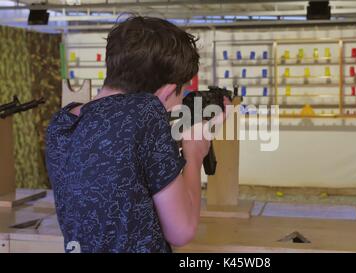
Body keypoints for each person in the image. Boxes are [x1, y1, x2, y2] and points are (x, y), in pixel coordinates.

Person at [45, 16, 225, 253]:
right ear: (166, 92)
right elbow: (182, 231)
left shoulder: (62, 123)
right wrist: (193, 155)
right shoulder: (146, 112)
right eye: (179, 97)